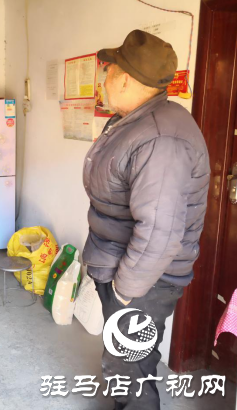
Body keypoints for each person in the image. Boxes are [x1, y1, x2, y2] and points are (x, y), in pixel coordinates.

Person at [83, 30, 210, 409]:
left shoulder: (160, 137)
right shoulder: (135, 120)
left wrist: (125, 291)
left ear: (124, 78)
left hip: (143, 280)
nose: (104, 78)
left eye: (108, 70)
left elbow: (159, 232)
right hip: (124, 266)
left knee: (130, 369)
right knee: (124, 360)